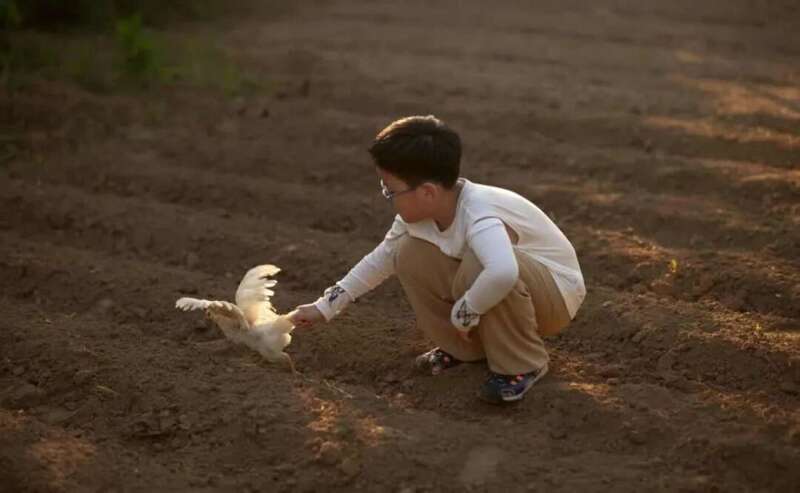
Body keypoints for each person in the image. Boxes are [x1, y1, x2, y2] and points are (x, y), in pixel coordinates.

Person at [290, 115, 586, 403]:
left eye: (390, 191)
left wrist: (465, 311)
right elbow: (382, 258)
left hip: (555, 296)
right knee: (407, 252)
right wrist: (325, 306)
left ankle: (523, 364)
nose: (387, 197)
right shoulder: (418, 217)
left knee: (480, 264)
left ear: (428, 192)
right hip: (508, 288)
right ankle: (466, 349)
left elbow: (503, 272)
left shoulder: (478, 213)